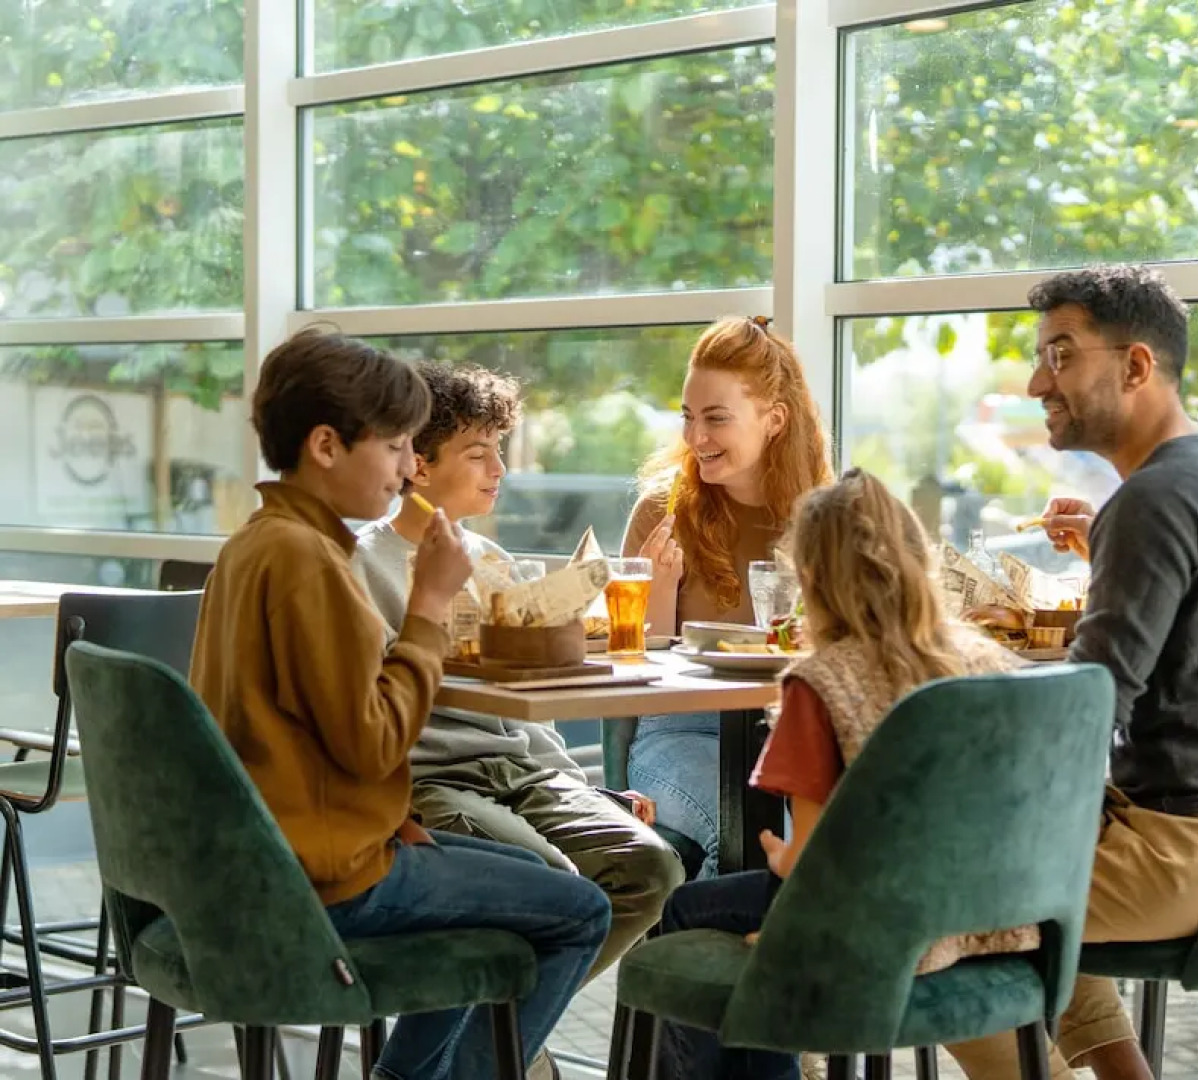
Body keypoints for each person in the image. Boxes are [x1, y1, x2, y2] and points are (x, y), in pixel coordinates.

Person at [189, 329, 611, 1080]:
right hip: (325, 878)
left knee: (510, 881)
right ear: (326, 446)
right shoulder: (312, 563)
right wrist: (429, 607)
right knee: (581, 912)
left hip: (273, 852)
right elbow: (374, 743)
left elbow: (307, 735)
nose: (403, 467)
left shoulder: (256, 544)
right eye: (392, 447)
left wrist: (391, 817)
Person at [962, 265, 1198, 1080]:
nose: (1036, 383)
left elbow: (1086, 714)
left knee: (920, 913)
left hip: (1184, 849)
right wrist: (1110, 549)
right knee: (1008, 848)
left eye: (1060, 354)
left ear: (1136, 366)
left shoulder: (1153, 500)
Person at [655, 469, 1038, 1080]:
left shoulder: (822, 681)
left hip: (878, 925)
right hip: (994, 915)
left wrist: (780, 857)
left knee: (686, 909)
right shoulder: (989, 661)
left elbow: (811, 870)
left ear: (810, 578)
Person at [350, 363, 685, 1013]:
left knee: (651, 870)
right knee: (560, 890)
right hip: (433, 784)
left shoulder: (496, 563)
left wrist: (585, 788)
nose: (499, 469)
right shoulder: (359, 567)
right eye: (478, 453)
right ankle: (504, 1049)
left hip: (524, 774)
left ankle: (498, 1037)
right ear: (418, 464)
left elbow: (530, 715)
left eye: (499, 450)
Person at [620, 315, 832, 879]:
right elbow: (629, 667)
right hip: (682, 730)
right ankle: (710, 941)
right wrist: (658, 594)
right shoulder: (660, 511)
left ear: (774, 420)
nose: (696, 438)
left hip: (799, 734)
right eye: (688, 417)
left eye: (716, 418)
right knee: (744, 827)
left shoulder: (827, 518)